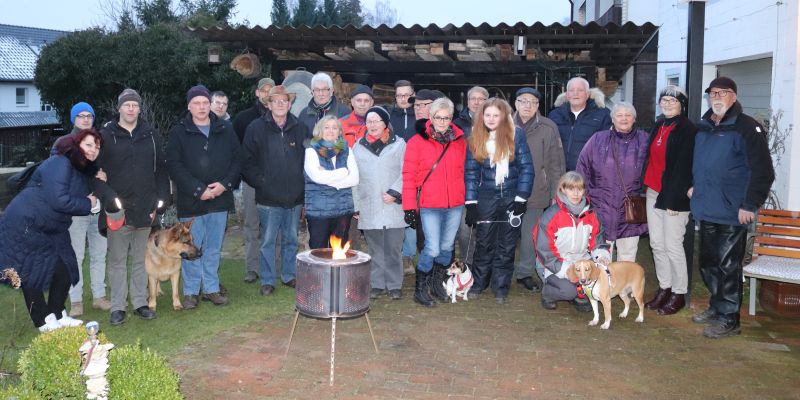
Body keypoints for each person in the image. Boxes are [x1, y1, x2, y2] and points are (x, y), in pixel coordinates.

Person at [690, 77, 774, 339]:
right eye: (713, 93)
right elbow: (701, 164)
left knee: (728, 265)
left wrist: (750, 204)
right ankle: (717, 307)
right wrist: (694, 186)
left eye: (723, 93)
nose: (717, 97)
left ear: (734, 96)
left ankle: (730, 318)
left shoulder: (748, 128)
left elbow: (763, 171)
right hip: (707, 207)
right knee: (708, 263)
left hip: (733, 210)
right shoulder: (703, 127)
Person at [0, 129, 104, 332]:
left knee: (65, 267)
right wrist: (87, 203)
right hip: (26, 222)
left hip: (50, 226)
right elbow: (59, 199)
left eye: (97, 147)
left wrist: (94, 196)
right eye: (89, 145)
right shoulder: (61, 162)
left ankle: (57, 313)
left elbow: (73, 199)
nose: (93, 150)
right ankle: (43, 321)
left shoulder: (80, 170)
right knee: (32, 272)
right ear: (76, 145)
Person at [98, 89, 170, 326]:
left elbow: (161, 169)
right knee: (118, 260)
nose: (131, 109)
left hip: (145, 209)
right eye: (127, 105)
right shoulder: (106, 135)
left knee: (140, 259)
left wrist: (161, 201)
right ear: (119, 108)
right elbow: (95, 174)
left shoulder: (150, 134)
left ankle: (140, 302)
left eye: (135, 105)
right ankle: (118, 307)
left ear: (140, 108)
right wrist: (110, 200)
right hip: (118, 211)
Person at [167, 85, 242, 309]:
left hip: (219, 199)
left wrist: (224, 185)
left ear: (210, 105)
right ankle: (191, 291)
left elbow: (237, 160)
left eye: (205, 103)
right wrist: (199, 190)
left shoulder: (225, 128)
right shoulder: (179, 132)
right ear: (189, 106)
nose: (201, 107)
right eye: (196, 103)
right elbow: (174, 165)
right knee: (190, 246)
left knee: (213, 247)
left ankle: (211, 288)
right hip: (192, 202)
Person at [464, 98, 534, 304]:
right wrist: (471, 203)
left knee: (507, 244)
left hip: (511, 195)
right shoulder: (475, 137)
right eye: (488, 115)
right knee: (484, 242)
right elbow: (471, 172)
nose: (492, 119)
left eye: (496, 115)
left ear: (504, 116)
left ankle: (501, 287)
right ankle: (478, 284)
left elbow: (527, 168)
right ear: (481, 117)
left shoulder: (516, 134)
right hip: (486, 196)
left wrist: (521, 198)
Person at [241, 85, 307, 296]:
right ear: (268, 104)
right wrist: (262, 182)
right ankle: (268, 280)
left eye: (284, 100)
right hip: (268, 199)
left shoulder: (300, 127)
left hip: (294, 198)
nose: (280, 104)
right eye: (275, 101)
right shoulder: (256, 128)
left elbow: (308, 161)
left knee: (291, 239)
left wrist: (302, 186)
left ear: (290, 104)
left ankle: (288, 275)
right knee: (268, 241)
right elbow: (246, 162)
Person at [402, 97, 467, 307]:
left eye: (446, 117)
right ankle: (420, 289)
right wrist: (409, 206)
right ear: (430, 117)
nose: (442, 121)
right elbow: (409, 175)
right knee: (432, 248)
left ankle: (438, 283)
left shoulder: (459, 141)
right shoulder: (417, 142)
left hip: (454, 203)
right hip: (430, 204)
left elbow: (463, 171)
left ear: (451, 118)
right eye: (438, 117)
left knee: (447, 247)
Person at [51, 102, 112, 317]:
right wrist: (91, 173)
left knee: (99, 254)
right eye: (81, 116)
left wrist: (104, 176)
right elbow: (58, 173)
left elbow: (106, 168)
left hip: (99, 209)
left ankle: (99, 296)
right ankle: (75, 300)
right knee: (75, 256)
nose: (85, 119)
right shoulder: (64, 143)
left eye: (89, 116)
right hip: (75, 210)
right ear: (73, 119)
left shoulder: (99, 142)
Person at [642, 85, 697, 316]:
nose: (667, 104)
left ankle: (679, 292)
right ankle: (665, 287)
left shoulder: (688, 129)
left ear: (681, 104)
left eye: (672, 101)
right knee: (656, 244)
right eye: (664, 100)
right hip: (654, 191)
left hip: (674, 196)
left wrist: (676, 199)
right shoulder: (659, 124)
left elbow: (686, 167)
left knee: (673, 245)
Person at [576, 102, 649, 262]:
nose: (624, 119)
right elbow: (582, 167)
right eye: (619, 115)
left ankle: (623, 287)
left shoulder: (644, 140)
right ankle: (602, 286)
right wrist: (583, 198)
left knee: (628, 255)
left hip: (631, 209)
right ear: (612, 119)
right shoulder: (598, 139)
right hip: (601, 207)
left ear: (634, 119)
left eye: (628, 115)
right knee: (600, 255)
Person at [512, 88, 565, 293]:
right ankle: (502, 270)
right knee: (505, 234)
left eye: (532, 102)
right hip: (507, 190)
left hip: (536, 190)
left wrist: (555, 193)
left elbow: (555, 163)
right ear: (515, 103)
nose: (527, 105)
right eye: (523, 101)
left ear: (538, 106)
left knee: (529, 235)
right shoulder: (504, 122)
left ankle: (524, 273)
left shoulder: (548, 127)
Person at [534, 171, 611, 311]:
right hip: (553, 265)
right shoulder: (551, 215)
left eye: (579, 189)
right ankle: (548, 293)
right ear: (562, 189)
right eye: (571, 188)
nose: (576, 193)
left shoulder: (592, 214)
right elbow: (544, 251)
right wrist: (567, 270)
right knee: (568, 290)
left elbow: (598, 240)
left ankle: (579, 294)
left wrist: (601, 256)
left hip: (581, 263)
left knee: (598, 281)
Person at [353, 106, 407, 300]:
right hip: (369, 205)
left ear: (385, 124)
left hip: (393, 205)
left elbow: (406, 172)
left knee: (393, 248)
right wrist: (356, 205)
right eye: (369, 121)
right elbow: (354, 178)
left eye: (376, 121)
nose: (372, 125)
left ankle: (394, 285)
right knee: (375, 248)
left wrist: (395, 192)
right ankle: (377, 284)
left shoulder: (399, 144)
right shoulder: (358, 147)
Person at [399, 88, 446, 274]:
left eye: (422, 105)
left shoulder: (447, 131)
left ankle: (437, 275)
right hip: (420, 195)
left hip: (442, 196)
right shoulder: (412, 131)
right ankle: (428, 275)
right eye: (416, 105)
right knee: (423, 239)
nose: (417, 108)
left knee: (440, 241)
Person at [232, 77, 273, 284]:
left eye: (271, 90)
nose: (267, 93)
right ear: (258, 93)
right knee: (252, 225)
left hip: (274, 182)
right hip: (250, 181)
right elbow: (236, 151)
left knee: (274, 227)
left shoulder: (281, 117)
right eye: (264, 90)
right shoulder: (243, 118)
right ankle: (252, 268)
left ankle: (272, 266)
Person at [304, 116, 359, 248]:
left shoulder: (347, 150)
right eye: (326, 127)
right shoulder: (311, 151)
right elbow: (317, 177)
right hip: (319, 211)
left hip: (342, 211)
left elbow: (355, 179)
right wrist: (343, 172)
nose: (330, 130)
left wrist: (327, 176)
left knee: (339, 255)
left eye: (335, 127)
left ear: (340, 131)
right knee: (319, 253)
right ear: (320, 130)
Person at [453, 86, 488, 267]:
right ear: (467, 102)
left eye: (481, 99)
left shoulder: (495, 123)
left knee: (486, 230)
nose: (476, 102)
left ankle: (483, 267)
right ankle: (467, 266)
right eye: (473, 99)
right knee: (465, 230)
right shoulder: (457, 125)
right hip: (465, 185)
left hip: (489, 185)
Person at [548, 77, 611, 171]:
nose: (575, 93)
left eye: (580, 90)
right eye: (571, 90)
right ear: (567, 95)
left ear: (587, 94)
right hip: (559, 173)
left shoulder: (603, 115)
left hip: (588, 173)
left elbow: (607, 146)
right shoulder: (554, 115)